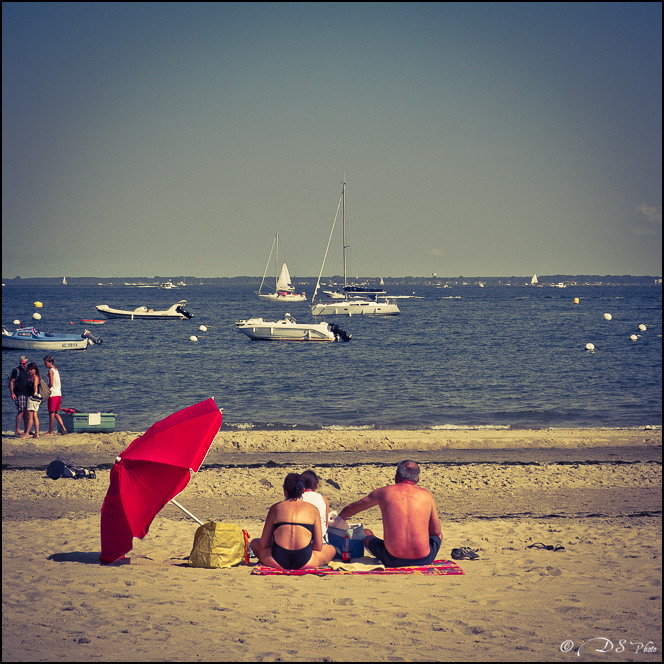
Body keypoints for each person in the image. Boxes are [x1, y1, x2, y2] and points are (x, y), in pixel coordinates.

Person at [338, 460, 442, 568]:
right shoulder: (427, 495)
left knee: (366, 534)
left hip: (392, 560)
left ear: (396, 476)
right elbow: (436, 532)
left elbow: (353, 508)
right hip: (424, 560)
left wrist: (340, 517)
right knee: (439, 535)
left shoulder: (384, 492)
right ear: (418, 479)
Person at [250, 472, 337, 570]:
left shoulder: (275, 508)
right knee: (332, 549)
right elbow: (318, 547)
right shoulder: (313, 509)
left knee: (254, 543)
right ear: (303, 490)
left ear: (284, 491)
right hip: (306, 562)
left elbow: (264, 544)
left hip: (277, 561)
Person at [301, 469, 330, 543]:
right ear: (316, 486)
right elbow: (325, 524)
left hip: (301, 541)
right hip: (320, 542)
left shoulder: (297, 499)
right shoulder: (323, 499)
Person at [43, 356, 67, 435]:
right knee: (55, 412)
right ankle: (63, 427)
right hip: (58, 393)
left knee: (51, 413)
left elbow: (51, 384)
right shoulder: (56, 370)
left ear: (51, 362)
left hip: (53, 394)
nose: (45, 364)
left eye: (46, 363)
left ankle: (50, 431)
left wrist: (46, 389)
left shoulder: (51, 371)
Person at [8, 356, 31, 436]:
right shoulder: (16, 370)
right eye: (21, 363)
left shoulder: (28, 370)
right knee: (21, 411)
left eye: (23, 364)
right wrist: (12, 393)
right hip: (19, 393)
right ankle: (17, 429)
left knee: (27, 412)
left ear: (26, 363)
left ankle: (26, 429)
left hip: (27, 393)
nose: (22, 365)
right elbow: (11, 382)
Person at [22, 362, 42, 439]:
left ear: (35, 369)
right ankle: (37, 434)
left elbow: (35, 386)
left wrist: (35, 393)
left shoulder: (35, 377)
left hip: (33, 397)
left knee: (30, 417)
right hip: (35, 398)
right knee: (35, 416)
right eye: (29, 369)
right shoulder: (34, 376)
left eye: (31, 369)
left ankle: (27, 433)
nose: (30, 371)